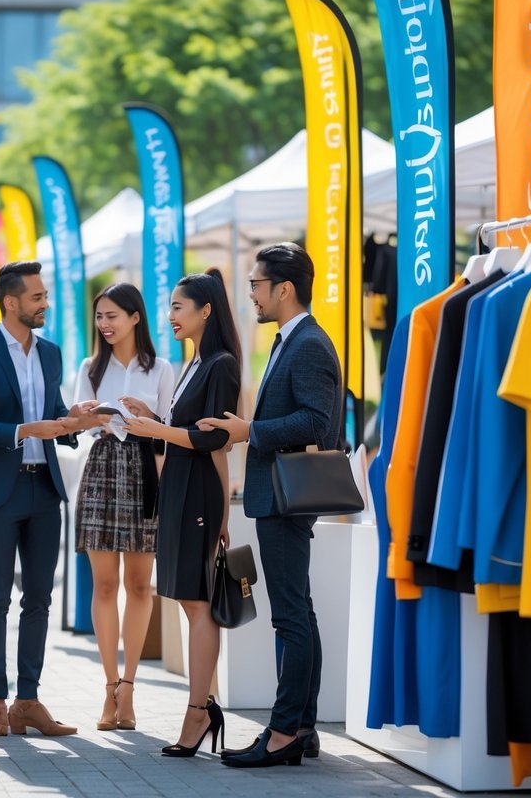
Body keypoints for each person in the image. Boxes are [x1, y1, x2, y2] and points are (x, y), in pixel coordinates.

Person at [200, 242, 342, 769]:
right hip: (281, 494)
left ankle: (282, 735)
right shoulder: (294, 339)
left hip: (286, 498)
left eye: (257, 285)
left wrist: (249, 431)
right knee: (299, 611)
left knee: (290, 617)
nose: (252, 295)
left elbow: (315, 421)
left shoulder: (307, 344)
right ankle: (301, 728)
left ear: (284, 288)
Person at [0, 261, 100, 738]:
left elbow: (54, 415)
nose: (45, 304)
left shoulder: (51, 353)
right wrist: (24, 430)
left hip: (44, 489)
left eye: (45, 296)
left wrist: (74, 419)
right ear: (11, 302)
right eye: (37, 297)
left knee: (39, 598)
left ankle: (28, 701)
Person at [122, 272, 241, 758]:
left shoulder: (221, 364)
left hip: (197, 492)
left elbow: (214, 438)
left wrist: (156, 428)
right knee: (188, 601)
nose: (169, 315)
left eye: (178, 306)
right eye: (169, 306)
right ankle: (201, 708)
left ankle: (199, 711)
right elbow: (186, 430)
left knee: (197, 604)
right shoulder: (194, 363)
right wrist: (151, 418)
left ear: (205, 310)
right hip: (180, 488)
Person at [73, 283, 175, 731]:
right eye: (100, 316)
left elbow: (171, 427)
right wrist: (85, 416)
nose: (104, 324)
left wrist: (147, 418)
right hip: (101, 468)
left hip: (144, 468)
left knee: (138, 584)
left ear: (135, 317)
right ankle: (109, 686)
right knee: (103, 585)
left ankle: (129, 687)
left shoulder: (162, 369)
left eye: (112, 315)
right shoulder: (90, 368)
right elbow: (76, 426)